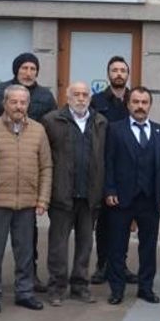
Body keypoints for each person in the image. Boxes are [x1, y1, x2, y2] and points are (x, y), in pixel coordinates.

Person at [0, 85, 53, 313]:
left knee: (25, 252)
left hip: (27, 203)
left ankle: (25, 292)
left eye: (23, 102)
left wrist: (43, 199)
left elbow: (46, 166)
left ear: (28, 105)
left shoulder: (38, 130)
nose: (18, 106)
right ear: (5, 104)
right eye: (14, 102)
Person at [103, 86, 160, 305]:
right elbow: (108, 162)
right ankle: (117, 289)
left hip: (150, 199)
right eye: (135, 102)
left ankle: (146, 288)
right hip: (121, 198)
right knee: (117, 247)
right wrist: (110, 189)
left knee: (148, 247)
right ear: (128, 104)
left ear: (150, 105)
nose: (140, 106)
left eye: (144, 102)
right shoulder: (115, 130)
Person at [42, 81, 107, 305]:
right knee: (58, 245)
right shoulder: (52, 121)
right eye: (76, 94)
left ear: (90, 98)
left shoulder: (100, 122)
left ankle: (80, 286)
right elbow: (44, 157)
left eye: (85, 94)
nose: (81, 98)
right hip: (62, 194)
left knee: (85, 244)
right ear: (67, 97)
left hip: (90, 195)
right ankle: (57, 288)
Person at [91, 55, 134, 286]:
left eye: (122, 70)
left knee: (124, 221)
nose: (119, 74)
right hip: (103, 166)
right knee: (104, 222)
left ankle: (121, 265)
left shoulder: (134, 99)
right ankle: (102, 266)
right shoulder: (97, 100)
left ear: (128, 74)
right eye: (114, 70)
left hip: (127, 168)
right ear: (108, 74)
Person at [0, 52, 58, 122]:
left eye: (32, 69)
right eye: (24, 68)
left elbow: (52, 122)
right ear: (16, 70)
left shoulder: (46, 96)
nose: (28, 73)